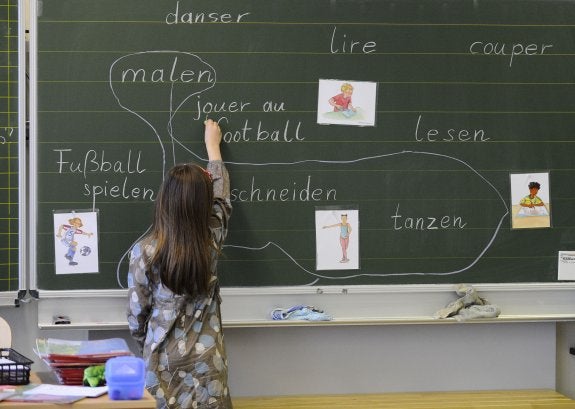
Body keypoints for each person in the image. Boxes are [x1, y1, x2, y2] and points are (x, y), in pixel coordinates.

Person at [127, 119, 233, 409]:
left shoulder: (146, 251)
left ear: (164, 200)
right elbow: (222, 196)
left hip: (161, 361)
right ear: (204, 204)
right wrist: (213, 148)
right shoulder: (212, 239)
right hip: (208, 362)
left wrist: (147, 343)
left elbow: (137, 315)